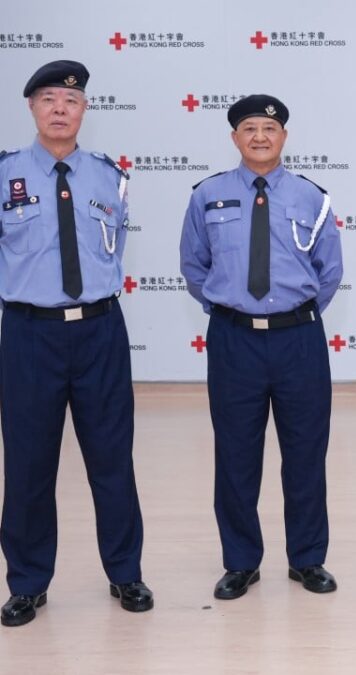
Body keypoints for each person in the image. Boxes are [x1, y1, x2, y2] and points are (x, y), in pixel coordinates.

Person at [0, 60, 153, 627]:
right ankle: (28, 582)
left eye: (70, 99)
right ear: (32, 109)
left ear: (85, 109)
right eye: (48, 99)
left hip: (98, 333)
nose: (59, 108)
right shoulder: (5, 174)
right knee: (28, 463)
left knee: (112, 459)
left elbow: (112, 253)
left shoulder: (109, 176)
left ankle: (126, 573)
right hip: (28, 335)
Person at [180, 94, 343, 600]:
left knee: (305, 454)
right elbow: (194, 265)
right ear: (234, 138)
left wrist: (291, 315)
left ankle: (308, 559)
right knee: (235, 455)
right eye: (248, 128)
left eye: (269, 128)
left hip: (299, 340)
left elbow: (329, 272)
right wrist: (231, 313)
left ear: (284, 137)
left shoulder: (311, 197)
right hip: (234, 341)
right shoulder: (206, 195)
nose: (259, 137)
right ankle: (241, 562)